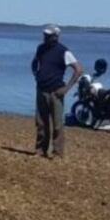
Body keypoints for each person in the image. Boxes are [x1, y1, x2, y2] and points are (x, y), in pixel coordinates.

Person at [30, 25, 83, 158]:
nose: (45, 37)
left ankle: (58, 152)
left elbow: (78, 69)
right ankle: (40, 150)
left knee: (57, 124)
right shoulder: (40, 48)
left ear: (55, 36)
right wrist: (36, 75)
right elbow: (34, 63)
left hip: (56, 90)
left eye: (48, 35)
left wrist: (66, 89)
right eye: (45, 35)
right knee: (41, 122)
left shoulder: (63, 51)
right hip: (41, 88)